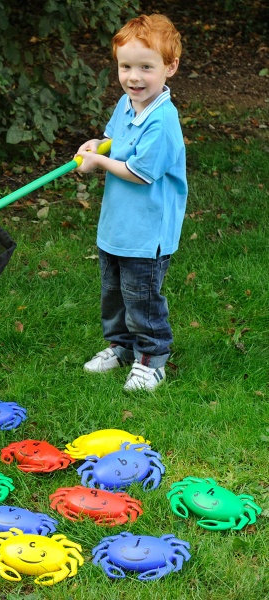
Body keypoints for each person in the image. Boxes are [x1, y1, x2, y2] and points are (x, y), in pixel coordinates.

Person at [75, 14, 187, 392]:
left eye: (146, 67)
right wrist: (95, 146)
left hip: (147, 231)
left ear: (170, 67)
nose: (134, 77)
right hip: (117, 226)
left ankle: (151, 359)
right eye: (126, 67)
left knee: (142, 299)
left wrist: (100, 162)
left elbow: (139, 173)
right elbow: (111, 140)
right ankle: (121, 347)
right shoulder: (126, 103)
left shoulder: (163, 121)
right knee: (114, 295)